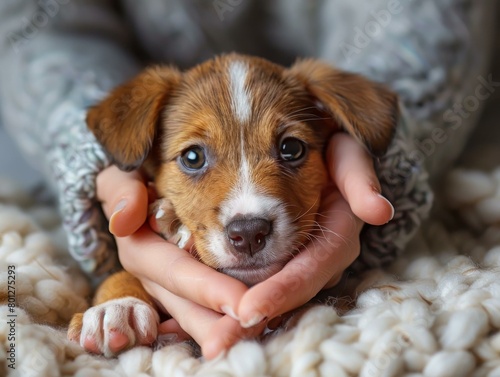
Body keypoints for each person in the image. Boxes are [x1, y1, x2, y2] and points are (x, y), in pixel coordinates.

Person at [0, 0, 495, 359]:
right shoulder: (142, 130)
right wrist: (123, 289)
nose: (248, 210)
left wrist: (378, 155)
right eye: (193, 157)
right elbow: (30, 21)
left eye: (290, 149)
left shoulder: (333, 107)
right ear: (148, 161)